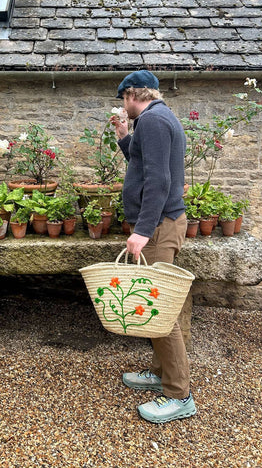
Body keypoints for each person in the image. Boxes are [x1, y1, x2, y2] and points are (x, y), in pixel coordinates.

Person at [110, 69, 196, 424]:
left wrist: (143, 230)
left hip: (159, 227)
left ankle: (179, 395)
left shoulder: (154, 121)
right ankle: (162, 374)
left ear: (133, 95)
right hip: (162, 224)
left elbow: (159, 180)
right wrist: (124, 137)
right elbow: (146, 162)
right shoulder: (156, 120)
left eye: (123, 100)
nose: (122, 107)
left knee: (160, 311)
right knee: (164, 305)